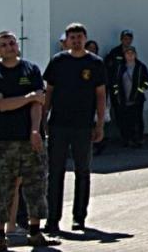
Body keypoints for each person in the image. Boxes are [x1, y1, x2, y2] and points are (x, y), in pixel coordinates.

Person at [0, 31, 54, 252]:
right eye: (3, 44)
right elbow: (2, 105)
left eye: (12, 43)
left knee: (35, 185)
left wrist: (35, 130)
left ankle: (35, 231)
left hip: (29, 138)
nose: (9, 47)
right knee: (2, 188)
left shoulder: (31, 70)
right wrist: (28, 97)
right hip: (2, 141)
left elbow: (38, 103)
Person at [42, 23, 107, 234]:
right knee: (55, 172)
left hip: (83, 125)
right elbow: (49, 91)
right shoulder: (58, 61)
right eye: (72, 37)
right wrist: (43, 118)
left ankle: (79, 218)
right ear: (67, 40)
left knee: (83, 172)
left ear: (85, 38)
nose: (76, 41)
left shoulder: (95, 63)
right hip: (58, 124)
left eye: (80, 37)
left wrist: (100, 123)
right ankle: (52, 219)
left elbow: (100, 95)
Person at [110, 43, 148, 149]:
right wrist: (116, 93)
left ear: (135, 54)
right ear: (124, 55)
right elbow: (114, 81)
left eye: (132, 53)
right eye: (127, 53)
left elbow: (147, 80)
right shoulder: (120, 67)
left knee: (137, 119)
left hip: (137, 98)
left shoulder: (140, 67)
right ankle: (126, 139)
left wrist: (141, 90)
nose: (130, 55)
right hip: (123, 98)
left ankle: (138, 139)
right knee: (125, 120)